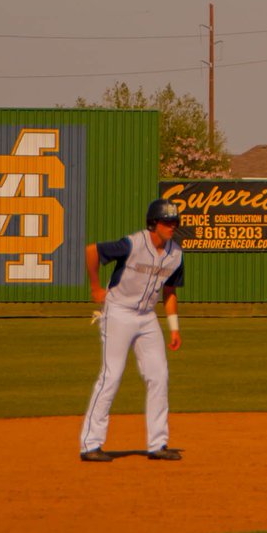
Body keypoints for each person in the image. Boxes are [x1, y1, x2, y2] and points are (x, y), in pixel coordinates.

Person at [80, 198, 185, 462]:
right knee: (111, 375)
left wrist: (174, 328)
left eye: (174, 221)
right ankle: (90, 444)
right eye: (166, 221)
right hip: (119, 313)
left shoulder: (176, 254)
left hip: (147, 317)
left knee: (159, 375)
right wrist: (95, 287)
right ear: (153, 223)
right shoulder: (132, 243)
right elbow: (92, 251)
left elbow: (170, 292)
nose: (171, 226)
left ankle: (157, 444)